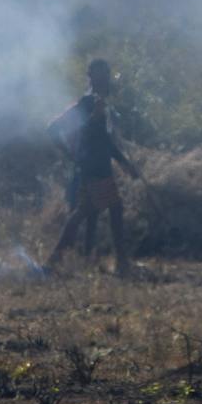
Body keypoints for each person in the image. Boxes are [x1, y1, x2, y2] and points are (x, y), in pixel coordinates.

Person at [46, 58, 141, 276]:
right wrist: (72, 156)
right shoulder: (88, 103)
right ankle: (120, 263)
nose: (105, 79)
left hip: (100, 165)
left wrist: (125, 164)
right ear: (92, 78)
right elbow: (55, 129)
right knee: (103, 209)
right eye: (100, 75)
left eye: (106, 74)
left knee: (89, 211)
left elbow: (105, 141)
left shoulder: (101, 103)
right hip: (91, 166)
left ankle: (61, 260)